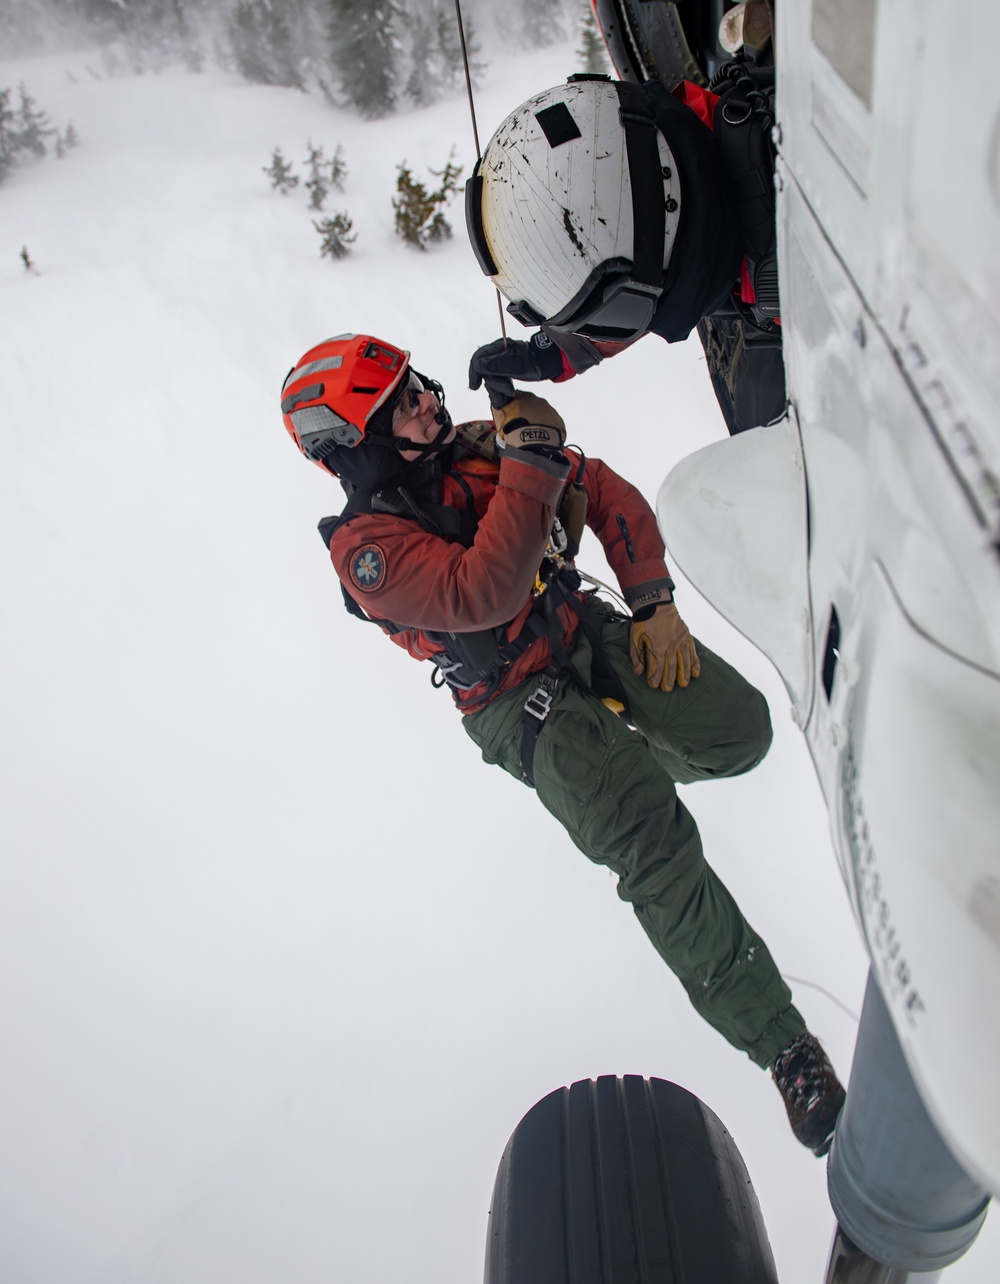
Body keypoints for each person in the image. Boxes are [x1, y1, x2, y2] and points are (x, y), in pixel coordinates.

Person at [281, 331, 845, 1155]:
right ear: (359, 443)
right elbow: (482, 590)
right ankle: (784, 1049)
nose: (430, 400)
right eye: (402, 401)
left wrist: (651, 599)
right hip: (521, 702)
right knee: (654, 849)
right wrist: (531, 466)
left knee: (739, 732)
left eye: (420, 383)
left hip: (578, 624)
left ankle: (630, 771)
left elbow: (603, 489)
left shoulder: (478, 451)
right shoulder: (367, 552)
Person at [465, 68, 786, 435]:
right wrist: (554, 352)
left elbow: (654, 264)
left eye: (619, 316)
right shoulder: (703, 127)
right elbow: (651, 245)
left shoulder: (805, 273)